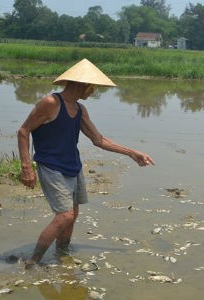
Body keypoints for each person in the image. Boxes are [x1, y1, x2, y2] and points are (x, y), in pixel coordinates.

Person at [17, 58, 155, 269]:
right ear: (81, 84)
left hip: (73, 166)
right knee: (64, 216)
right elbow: (23, 131)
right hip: (51, 166)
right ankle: (32, 261)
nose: (93, 92)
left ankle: (62, 253)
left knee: (73, 215)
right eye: (92, 87)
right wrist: (27, 167)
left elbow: (98, 140)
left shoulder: (80, 109)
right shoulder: (51, 103)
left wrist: (131, 153)